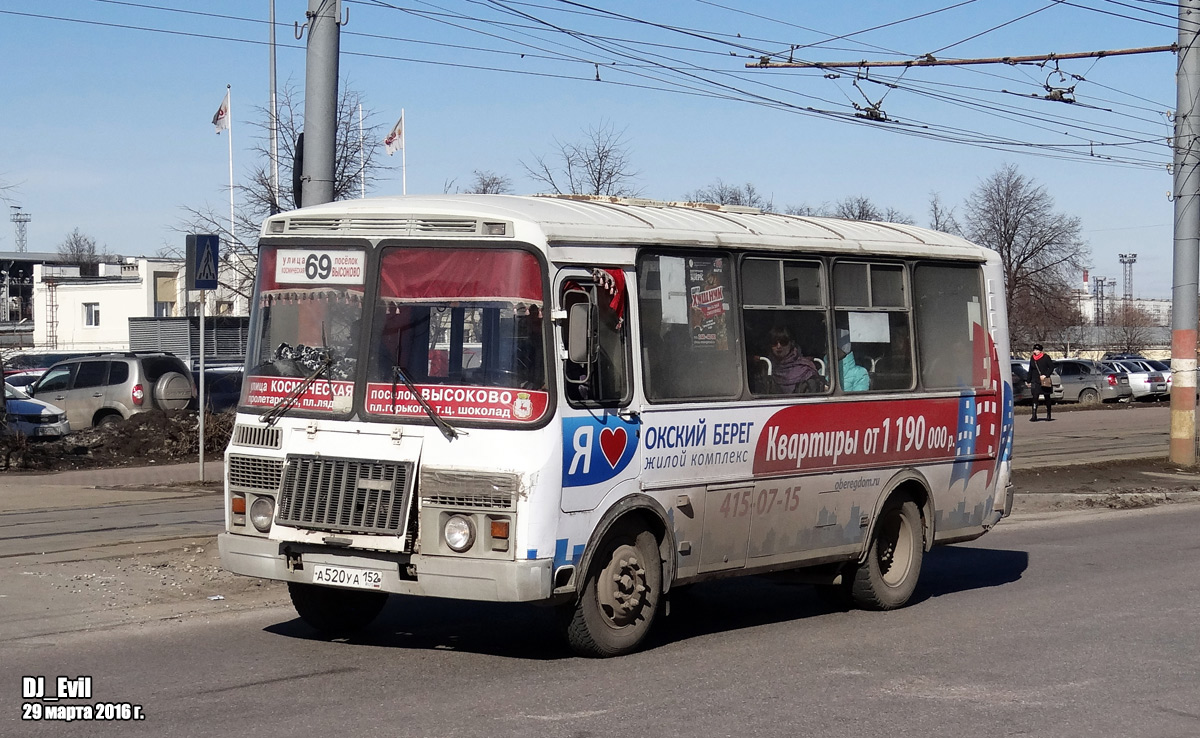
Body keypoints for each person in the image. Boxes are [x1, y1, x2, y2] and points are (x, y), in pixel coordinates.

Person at [758, 326, 822, 394]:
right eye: (774, 343)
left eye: (783, 342)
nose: (779, 346)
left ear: (791, 343)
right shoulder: (765, 366)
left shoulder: (805, 368)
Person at [1029, 343, 1055, 421]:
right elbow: (1030, 370)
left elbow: (1051, 367)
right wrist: (1028, 380)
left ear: (1040, 351)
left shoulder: (1046, 357)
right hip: (1035, 380)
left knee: (1047, 397)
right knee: (1035, 397)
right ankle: (1034, 415)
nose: (1035, 351)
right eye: (1034, 350)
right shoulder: (1032, 358)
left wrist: (1046, 375)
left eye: (1037, 350)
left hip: (1044, 380)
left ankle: (1048, 414)